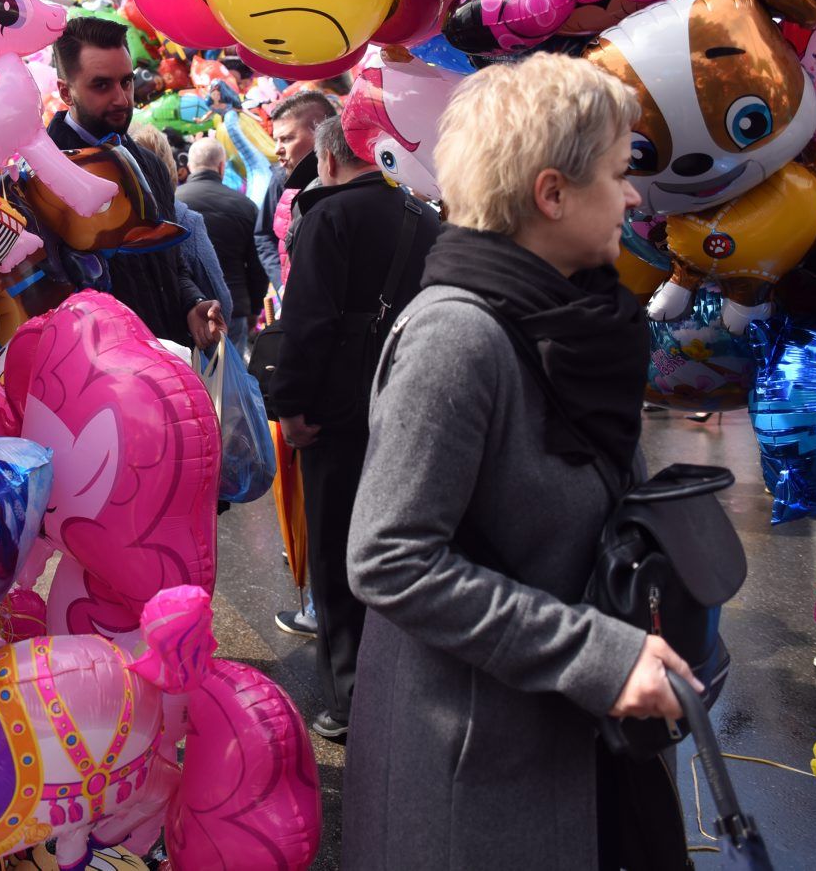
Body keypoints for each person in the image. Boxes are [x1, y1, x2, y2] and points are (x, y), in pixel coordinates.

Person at [343, 55, 698, 870]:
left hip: (581, 742)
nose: (636, 194)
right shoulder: (458, 336)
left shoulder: (574, 319)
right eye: (619, 172)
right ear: (551, 193)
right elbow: (390, 558)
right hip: (485, 767)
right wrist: (600, 656)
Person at [268, 116, 439, 741]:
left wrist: (289, 401)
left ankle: (349, 699)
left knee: (338, 554)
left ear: (331, 161)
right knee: (403, 540)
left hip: (336, 413)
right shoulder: (425, 216)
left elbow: (307, 319)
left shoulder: (328, 216)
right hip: (408, 398)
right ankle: (406, 682)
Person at [48, 16, 226, 349]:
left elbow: (173, 261)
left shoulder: (150, 164)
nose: (120, 98)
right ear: (65, 92)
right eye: (101, 85)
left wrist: (191, 303)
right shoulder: (42, 175)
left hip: (172, 355)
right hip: (101, 376)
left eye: (126, 82)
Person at [128, 121, 232, 323]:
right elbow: (218, 302)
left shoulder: (106, 220)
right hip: (179, 344)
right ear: (169, 165)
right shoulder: (184, 219)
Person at [177, 137, 270, 355]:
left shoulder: (175, 203)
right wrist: (254, 309)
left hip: (189, 308)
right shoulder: (244, 205)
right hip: (234, 307)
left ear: (190, 166)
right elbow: (257, 265)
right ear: (221, 166)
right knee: (230, 378)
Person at [255, 90, 335, 287]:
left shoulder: (355, 181)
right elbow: (263, 235)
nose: (277, 149)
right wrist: (283, 285)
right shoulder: (280, 179)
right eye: (276, 139)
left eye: (287, 138)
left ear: (320, 133)